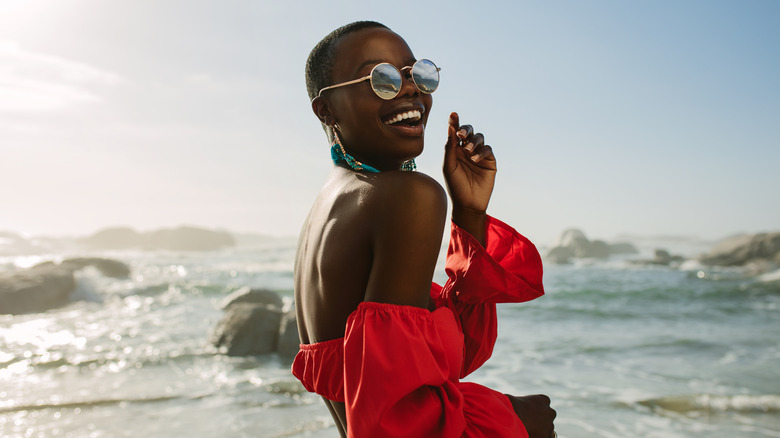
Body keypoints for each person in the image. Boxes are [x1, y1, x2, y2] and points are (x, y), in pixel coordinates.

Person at [292, 21, 557, 438]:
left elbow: (435, 361)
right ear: (327, 109)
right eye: (382, 79)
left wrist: (469, 214)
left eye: (418, 75)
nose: (412, 89)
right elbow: (397, 425)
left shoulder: (327, 210)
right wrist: (518, 422)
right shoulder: (407, 195)